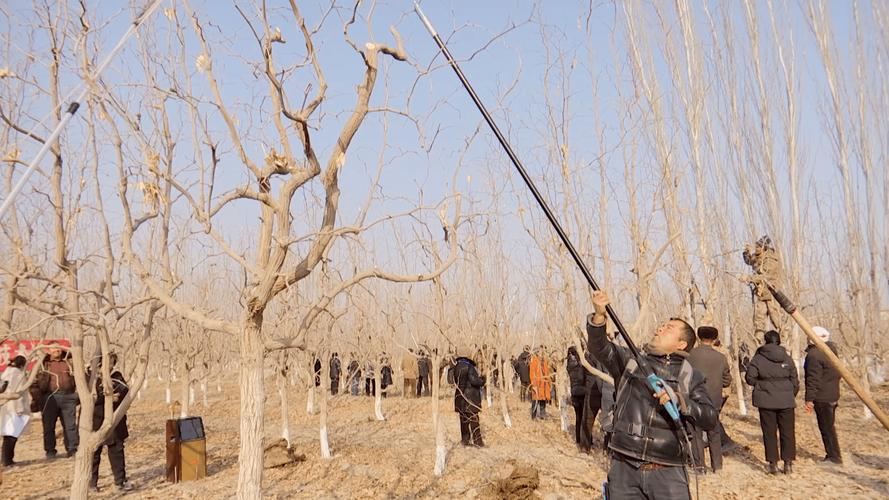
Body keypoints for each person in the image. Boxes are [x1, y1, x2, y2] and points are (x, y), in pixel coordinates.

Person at [587, 290, 717, 500]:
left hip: (669, 471)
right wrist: (599, 316)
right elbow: (599, 347)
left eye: (669, 328)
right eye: (662, 325)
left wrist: (680, 400)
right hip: (623, 468)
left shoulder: (690, 375)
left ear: (681, 344)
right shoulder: (630, 360)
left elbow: (710, 418)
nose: (660, 328)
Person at [745, 330, 798, 475]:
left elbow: (750, 378)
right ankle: (788, 464)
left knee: (769, 432)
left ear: (765, 341)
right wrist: (789, 393)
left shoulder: (758, 359)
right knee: (788, 432)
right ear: (779, 341)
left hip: (766, 400)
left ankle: (773, 464)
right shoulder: (787, 358)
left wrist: (762, 385)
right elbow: (795, 380)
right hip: (786, 400)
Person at [687, 326, 732, 473]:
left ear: (699, 337)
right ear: (714, 339)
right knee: (714, 432)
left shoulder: (689, 355)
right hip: (714, 400)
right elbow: (727, 381)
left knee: (696, 433)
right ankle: (717, 466)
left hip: (694, 399)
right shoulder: (721, 358)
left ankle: (699, 466)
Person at [89, 353, 133, 492]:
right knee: (94, 454)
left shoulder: (117, 376)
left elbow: (124, 391)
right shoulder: (92, 378)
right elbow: (90, 397)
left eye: (112, 362)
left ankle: (120, 481)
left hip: (114, 422)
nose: (110, 365)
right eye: (108, 362)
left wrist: (113, 395)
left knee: (116, 452)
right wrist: (107, 396)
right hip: (96, 421)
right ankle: (92, 483)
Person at [805, 326, 842, 464]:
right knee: (829, 427)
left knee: (826, 428)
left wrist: (809, 399)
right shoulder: (832, 352)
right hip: (833, 394)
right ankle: (833, 454)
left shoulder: (815, 355)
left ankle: (834, 457)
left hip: (822, 396)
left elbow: (812, 379)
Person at [35, 348, 79, 458]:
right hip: (49, 398)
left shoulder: (69, 361)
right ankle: (50, 451)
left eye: (58, 348)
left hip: (68, 396)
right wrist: (40, 399)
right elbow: (34, 383)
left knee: (70, 425)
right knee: (49, 426)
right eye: (53, 348)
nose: (56, 350)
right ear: (49, 350)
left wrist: (76, 396)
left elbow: (80, 378)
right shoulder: (43, 364)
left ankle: (72, 449)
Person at [742, 235, 784, 337]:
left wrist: (749, 278)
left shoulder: (770, 259)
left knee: (776, 319)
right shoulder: (758, 256)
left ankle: (783, 339)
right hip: (761, 293)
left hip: (771, 293)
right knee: (759, 320)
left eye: (758, 247)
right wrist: (746, 253)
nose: (755, 249)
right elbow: (749, 261)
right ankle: (759, 340)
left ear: (764, 248)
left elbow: (765, 276)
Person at [452, 347, 486, 447]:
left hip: (460, 397)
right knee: (474, 420)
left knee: (463, 421)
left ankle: (465, 441)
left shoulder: (456, 366)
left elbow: (451, 380)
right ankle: (478, 442)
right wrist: (483, 380)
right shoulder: (469, 367)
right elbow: (474, 381)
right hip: (470, 399)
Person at [1, 355, 31, 466]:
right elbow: (19, 394)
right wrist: (20, 410)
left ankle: (6, 459)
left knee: (7, 436)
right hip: (15, 408)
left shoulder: (6, 372)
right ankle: (7, 460)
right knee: (12, 436)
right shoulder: (18, 374)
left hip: (6, 408)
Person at [566, 347, 587, 446]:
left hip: (574, 393)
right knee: (584, 418)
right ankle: (586, 440)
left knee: (578, 418)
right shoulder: (580, 365)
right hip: (582, 393)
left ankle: (578, 439)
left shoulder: (568, 366)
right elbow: (583, 377)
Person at [529, 348, 551, 420]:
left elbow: (547, 373)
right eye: (540, 353)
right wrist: (534, 384)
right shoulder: (534, 362)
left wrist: (548, 383)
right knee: (535, 400)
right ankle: (533, 416)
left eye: (542, 353)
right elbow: (532, 374)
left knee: (543, 401)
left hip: (544, 385)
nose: (541, 354)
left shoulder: (544, 361)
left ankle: (542, 415)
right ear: (537, 353)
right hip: (537, 385)